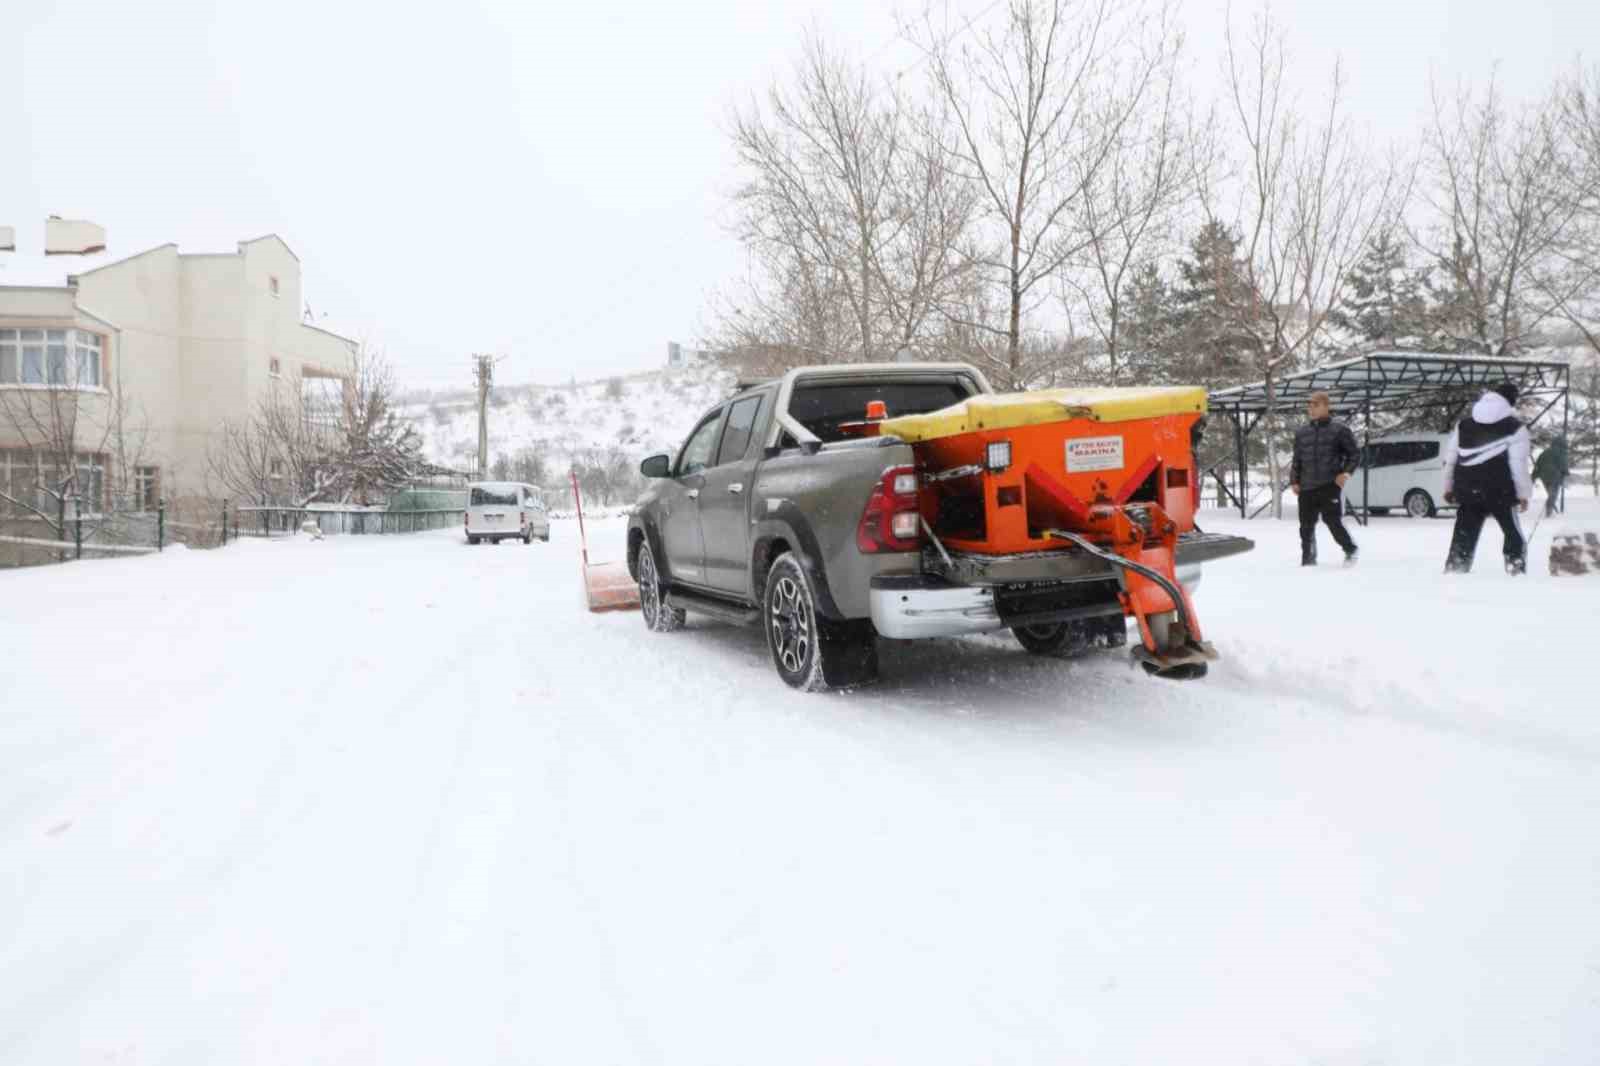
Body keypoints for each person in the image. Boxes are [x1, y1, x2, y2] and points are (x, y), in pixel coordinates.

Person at [1442, 382, 1532, 575]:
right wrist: (1523, 494)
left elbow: (1450, 459)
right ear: (1511, 402)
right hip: (1501, 490)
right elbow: (1518, 466)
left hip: (1467, 488)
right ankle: (1515, 568)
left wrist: (1448, 487)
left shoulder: (1464, 425)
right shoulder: (1516, 428)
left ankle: (1456, 568)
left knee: (1464, 533)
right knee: (1512, 534)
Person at [1290, 391, 1361, 567]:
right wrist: (1295, 480)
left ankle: (1350, 550)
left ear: (1326, 406)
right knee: (1305, 527)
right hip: (1306, 487)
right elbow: (1297, 459)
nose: (1311, 409)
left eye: (1315, 404)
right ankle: (1308, 560)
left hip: (1329, 485)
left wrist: (1345, 473)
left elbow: (1354, 454)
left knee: (1332, 521)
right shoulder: (1302, 433)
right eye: (1310, 405)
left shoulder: (1339, 430)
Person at [1532, 436, 1569, 517]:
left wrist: (1534, 476)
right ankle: (1549, 511)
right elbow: (1563, 464)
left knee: (1550, 493)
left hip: (1544, 477)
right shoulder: (1562, 452)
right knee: (1553, 494)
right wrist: (1565, 473)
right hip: (1555, 476)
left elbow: (1538, 465)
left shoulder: (1545, 452)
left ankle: (1550, 509)